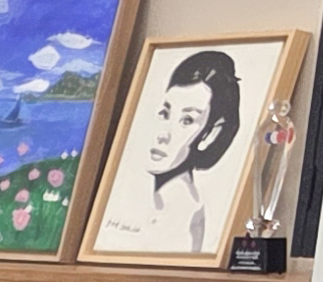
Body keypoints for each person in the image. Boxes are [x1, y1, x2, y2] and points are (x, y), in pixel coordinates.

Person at [96, 46, 244, 252]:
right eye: (165, 114)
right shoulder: (141, 202)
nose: (163, 134)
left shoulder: (184, 217)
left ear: (210, 133)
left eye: (187, 120)